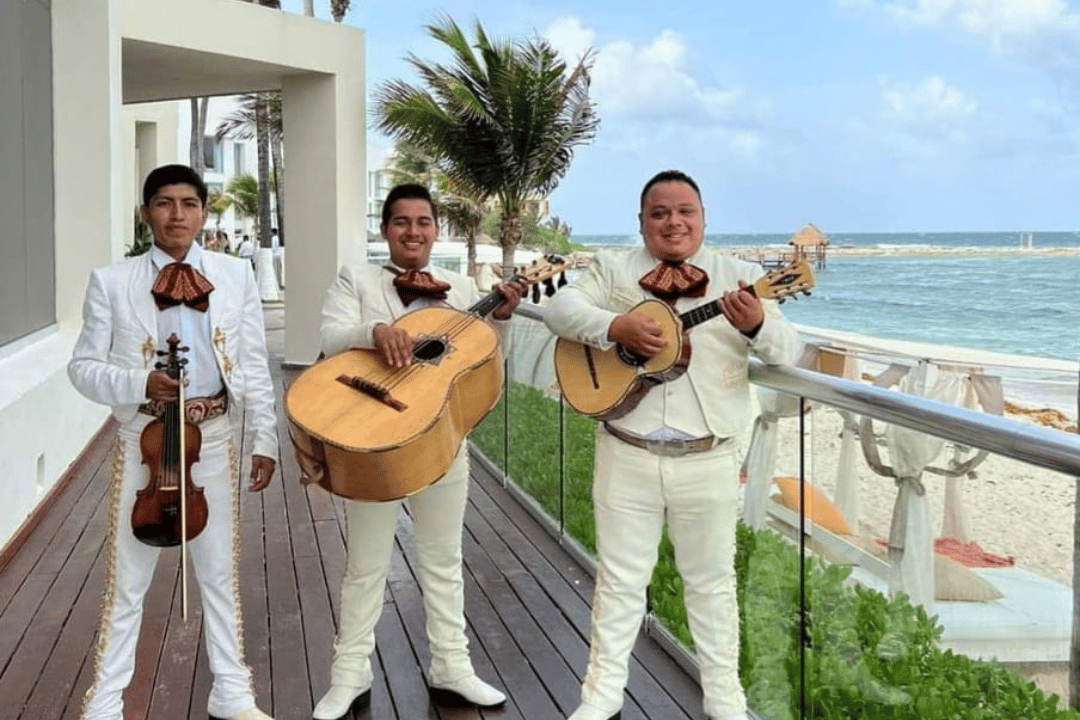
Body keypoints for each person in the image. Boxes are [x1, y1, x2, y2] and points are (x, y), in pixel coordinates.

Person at [543, 170, 800, 720]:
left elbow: (789, 353)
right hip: (625, 448)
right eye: (659, 212)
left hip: (708, 457)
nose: (674, 221)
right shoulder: (614, 269)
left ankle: (726, 702)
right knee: (618, 582)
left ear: (704, 218)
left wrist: (756, 327)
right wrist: (616, 327)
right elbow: (560, 311)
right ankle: (601, 697)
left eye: (686, 210)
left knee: (711, 586)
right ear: (642, 223)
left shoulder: (743, 278)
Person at [68, 164, 279, 720]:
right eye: (164, 203)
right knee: (128, 579)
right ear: (146, 214)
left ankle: (232, 693)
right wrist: (139, 382)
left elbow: (253, 366)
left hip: (213, 435)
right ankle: (106, 702)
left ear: (204, 213)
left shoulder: (236, 276)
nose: (177, 214)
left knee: (219, 572)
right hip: (144, 436)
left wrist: (265, 439)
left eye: (188, 203)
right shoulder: (111, 280)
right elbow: (83, 369)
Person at [312, 183, 527, 720]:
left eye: (423, 222)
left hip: (443, 437)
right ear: (385, 229)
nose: (413, 231)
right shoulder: (356, 278)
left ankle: (451, 667)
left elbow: (486, 360)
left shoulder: (459, 289)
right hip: (373, 439)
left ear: (436, 230)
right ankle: (349, 674)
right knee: (366, 564)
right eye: (401, 221)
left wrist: (501, 317)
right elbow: (330, 335)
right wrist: (374, 329)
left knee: (442, 560)